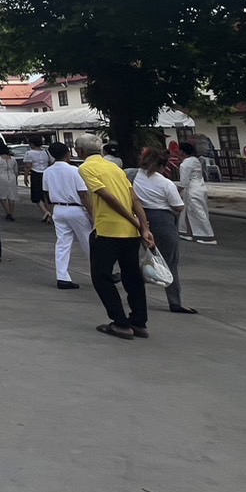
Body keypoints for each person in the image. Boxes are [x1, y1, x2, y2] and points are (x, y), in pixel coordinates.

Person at [78, 134, 154, 340]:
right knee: (132, 277)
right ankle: (139, 322)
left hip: (108, 230)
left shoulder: (86, 168)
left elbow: (107, 197)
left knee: (101, 277)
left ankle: (120, 322)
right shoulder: (115, 169)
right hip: (130, 232)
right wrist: (143, 226)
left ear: (80, 152)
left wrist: (133, 219)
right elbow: (134, 197)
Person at [134, 146, 198, 315]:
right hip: (162, 219)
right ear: (163, 166)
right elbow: (178, 206)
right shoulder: (164, 183)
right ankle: (175, 301)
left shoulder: (132, 176)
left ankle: (133, 285)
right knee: (169, 261)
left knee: (144, 254)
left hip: (139, 217)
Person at [42, 141, 90, 290]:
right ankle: (102, 272)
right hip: (76, 209)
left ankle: (62, 276)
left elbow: (46, 193)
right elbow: (83, 194)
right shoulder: (74, 170)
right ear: (68, 153)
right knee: (88, 241)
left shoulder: (47, 171)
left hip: (58, 208)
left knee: (63, 243)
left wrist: (49, 211)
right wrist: (92, 212)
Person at [176, 141, 217, 244]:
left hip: (192, 189)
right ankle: (188, 232)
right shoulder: (195, 160)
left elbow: (184, 182)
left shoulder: (185, 164)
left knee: (197, 212)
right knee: (192, 211)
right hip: (200, 186)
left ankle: (207, 235)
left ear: (182, 151)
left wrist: (177, 191)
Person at [24, 137, 53, 221]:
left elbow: (28, 166)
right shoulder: (46, 152)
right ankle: (50, 213)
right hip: (46, 173)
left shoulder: (29, 153)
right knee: (47, 195)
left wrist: (26, 177)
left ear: (32, 144)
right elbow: (51, 162)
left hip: (36, 173)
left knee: (36, 195)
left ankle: (46, 212)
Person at [0, 144, 20, 221]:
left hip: (1, 177)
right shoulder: (13, 159)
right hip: (12, 177)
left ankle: (8, 212)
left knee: (2, 196)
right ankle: (12, 213)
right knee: (11, 196)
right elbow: (16, 171)